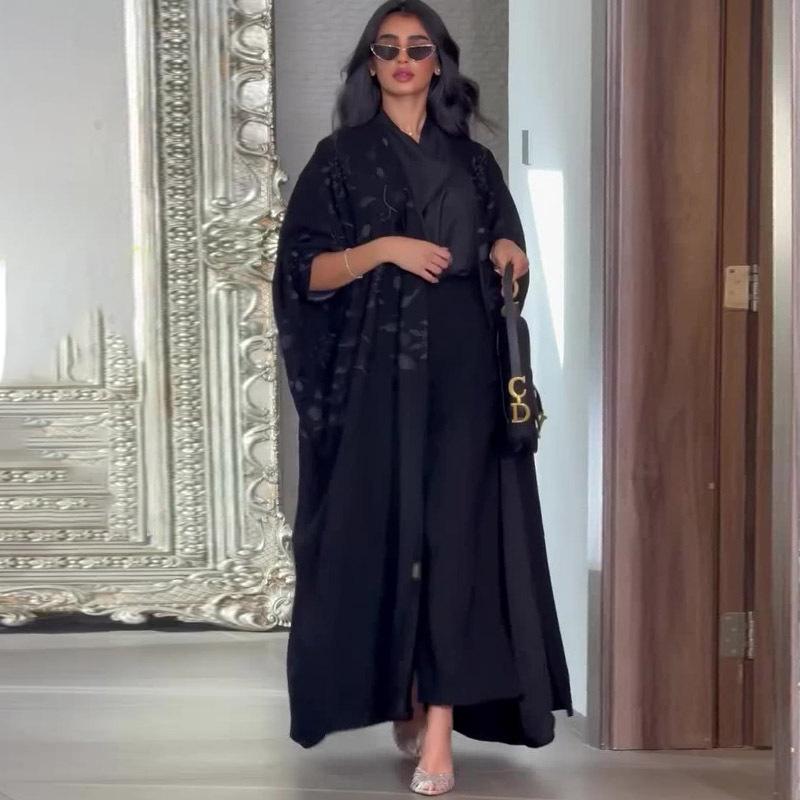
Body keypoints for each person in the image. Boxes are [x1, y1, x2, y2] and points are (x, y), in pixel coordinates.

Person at [271, 1, 573, 795]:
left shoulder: (474, 164)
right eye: (389, 48)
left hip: (465, 378)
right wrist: (381, 250)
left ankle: (439, 727)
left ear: (438, 62)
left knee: (455, 543)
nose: (404, 59)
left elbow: (509, 253)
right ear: (371, 64)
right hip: (378, 382)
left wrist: (509, 250)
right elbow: (302, 273)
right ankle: (403, 691)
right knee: (385, 535)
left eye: (419, 47)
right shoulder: (339, 160)